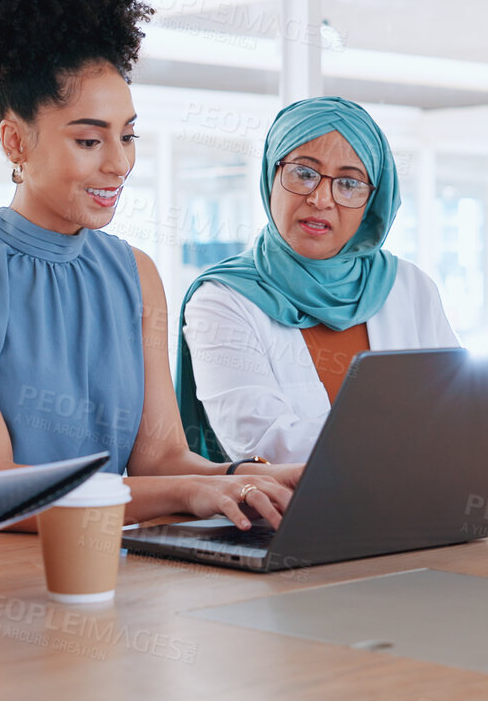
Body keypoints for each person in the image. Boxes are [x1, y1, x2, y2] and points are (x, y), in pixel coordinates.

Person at [0, 0, 301, 532]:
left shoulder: (136, 274)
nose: (119, 162)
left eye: (128, 134)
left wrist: (253, 477)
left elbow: (160, 458)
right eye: (89, 139)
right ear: (15, 139)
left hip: (108, 567)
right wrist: (190, 492)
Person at [176, 96, 459, 464]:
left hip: (419, 509)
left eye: (349, 183)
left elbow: (460, 413)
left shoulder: (409, 287)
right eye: (304, 173)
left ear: (372, 200)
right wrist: (414, 431)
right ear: (271, 174)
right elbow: (264, 448)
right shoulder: (223, 298)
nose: (321, 198)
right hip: (285, 519)